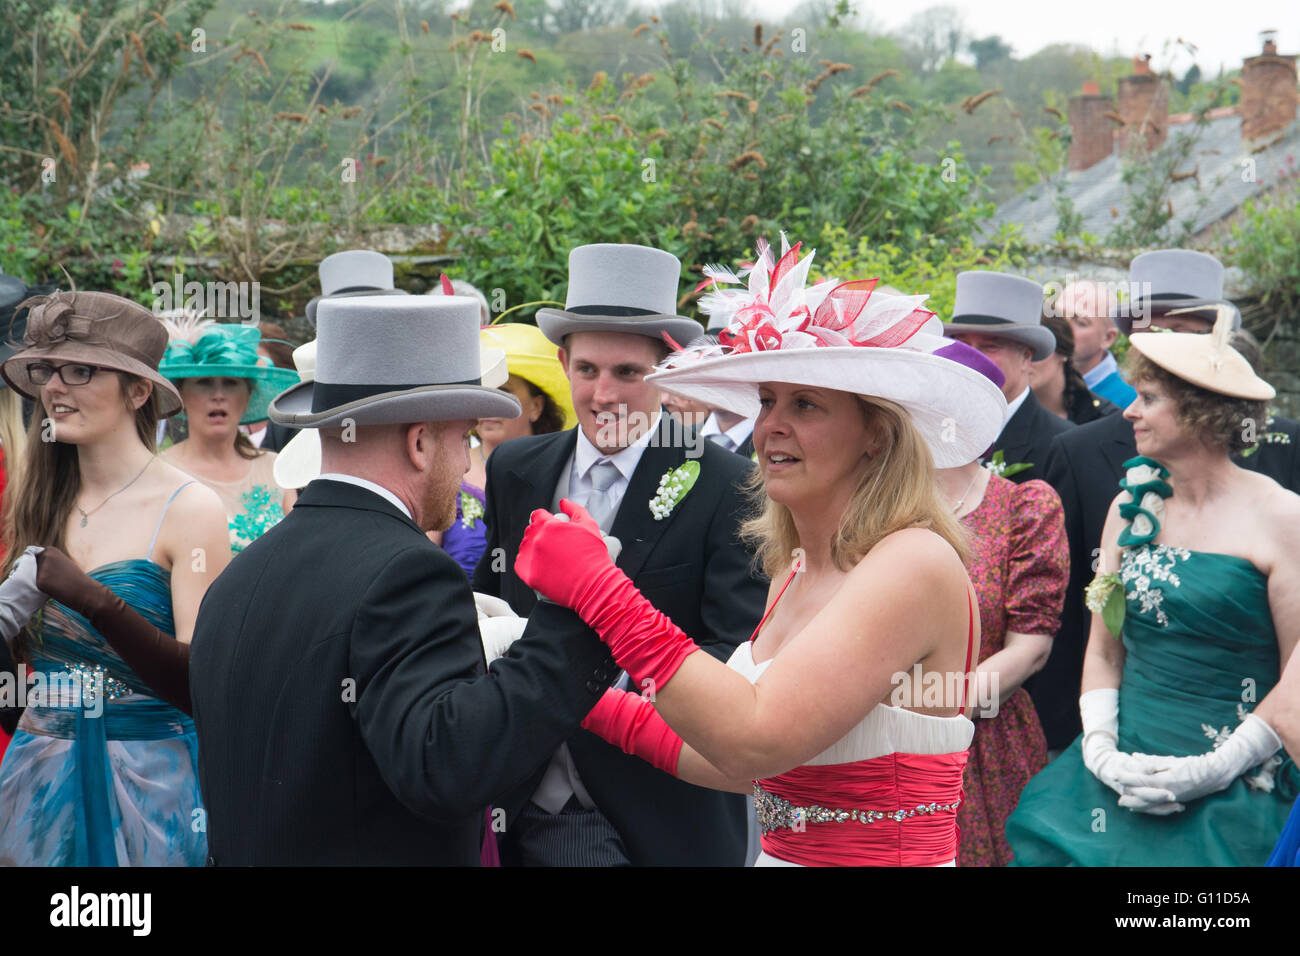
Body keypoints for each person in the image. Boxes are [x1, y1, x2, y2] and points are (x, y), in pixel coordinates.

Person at [509, 235, 1009, 866]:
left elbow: (755, 738)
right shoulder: (794, 570)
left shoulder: (913, 562)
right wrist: (535, 667)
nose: (771, 424)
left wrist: (598, 590)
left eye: (806, 404)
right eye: (768, 400)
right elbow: (726, 760)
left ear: (876, 438)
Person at [187, 293, 617, 865]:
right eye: (462, 439)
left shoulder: (239, 576)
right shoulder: (408, 572)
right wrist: (578, 611)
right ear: (419, 443)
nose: (467, 464)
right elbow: (448, 765)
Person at [473, 242, 766, 866]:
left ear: (666, 371)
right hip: (520, 794)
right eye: (587, 370)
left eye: (627, 373)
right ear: (562, 362)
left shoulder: (726, 483)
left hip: (663, 806)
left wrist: (605, 691)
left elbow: (734, 650)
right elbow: (494, 601)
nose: (604, 394)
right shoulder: (515, 468)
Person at [1007, 305, 1299, 866]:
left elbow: (1296, 677)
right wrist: (1100, 749)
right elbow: (1103, 648)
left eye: (1149, 399)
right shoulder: (1129, 508)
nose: (1130, 412)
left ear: (1202, 412)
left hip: (1238, 774)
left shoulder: (1283, 519)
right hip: (1122, 763)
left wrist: (1215, 767)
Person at [0, 290, 230, 866]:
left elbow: (201, 684)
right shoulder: (36, 500)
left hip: (153, 788)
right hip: (38, 779)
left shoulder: (190, 507)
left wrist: (96, 601)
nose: (56, 388)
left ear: (137, 389)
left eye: (81, 371)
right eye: (47, 370)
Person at [1035, 249, 1298, 753]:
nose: (1163, 345)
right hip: (1121, 730)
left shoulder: (1286, 452)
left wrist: (1233, 760)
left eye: (1181, 330)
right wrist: (1090, 740)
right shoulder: (1079, 451)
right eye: (1150, 331)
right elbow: (1076, 622)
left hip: (1252, 740)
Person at [935, 353, 1069, 866]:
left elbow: (1030, 649)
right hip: (870, 730)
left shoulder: (1023, 507)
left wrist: (929, 712)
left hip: (982, 740)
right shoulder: (865, 506)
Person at [432, 323, 574, 577]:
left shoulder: (564, 470)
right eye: (485, 394)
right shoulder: (446, 466)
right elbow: (425, 554)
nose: (490, 405)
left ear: (536, 407)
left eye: (504, 393)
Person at [158, 319, 300, 553]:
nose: (218, 395)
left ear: (248, 398)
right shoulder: (158, 472)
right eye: (204, 382)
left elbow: (298, 552)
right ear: (181, 395)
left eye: (231, 383)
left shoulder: (276, 469)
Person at [944, 271, 1074, 483]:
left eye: (990, 346)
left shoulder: (1062, 445)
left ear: (1026, 356)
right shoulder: (933, 429)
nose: (973, 357)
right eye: (964, 345)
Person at [1056, 280, 1137, 408]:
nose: (1062, 327)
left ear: (1108, 338)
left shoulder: (1131, 400)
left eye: (1080, 322)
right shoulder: (1035, 377)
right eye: (1058, 316)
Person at [1030, 313, 1118, 424]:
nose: (1024, 362)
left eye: (1036, 350)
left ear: (1062, 351)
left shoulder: (1105, 419)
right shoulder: (1005, 410)